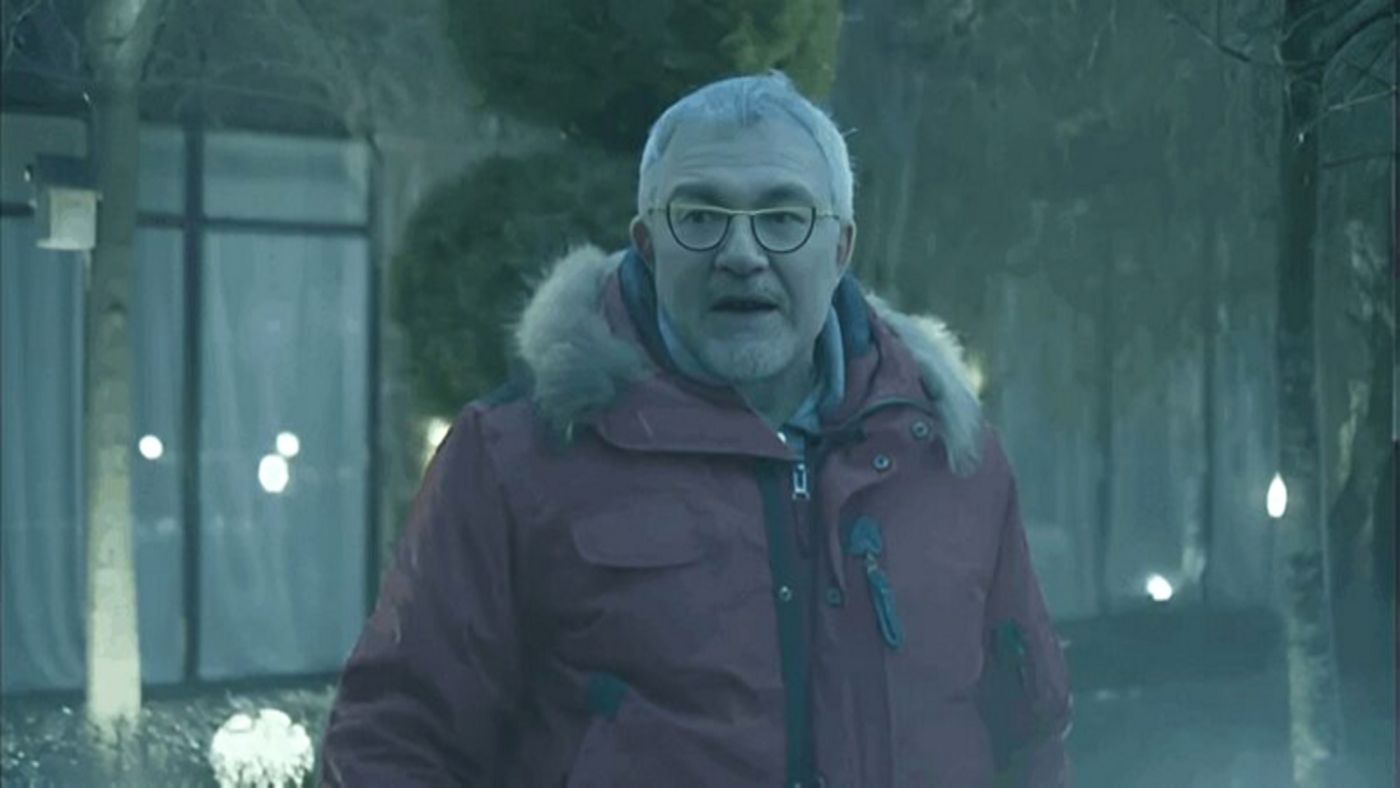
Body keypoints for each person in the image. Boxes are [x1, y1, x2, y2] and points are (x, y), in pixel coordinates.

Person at [321, 71, 1071, 787]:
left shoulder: (947, 457)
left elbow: (1030, 735)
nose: (741, 256)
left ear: (841, 249)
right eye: (701, 217)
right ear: (647, 243)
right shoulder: (516, 457)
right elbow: (394, 741)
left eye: (783, 217)